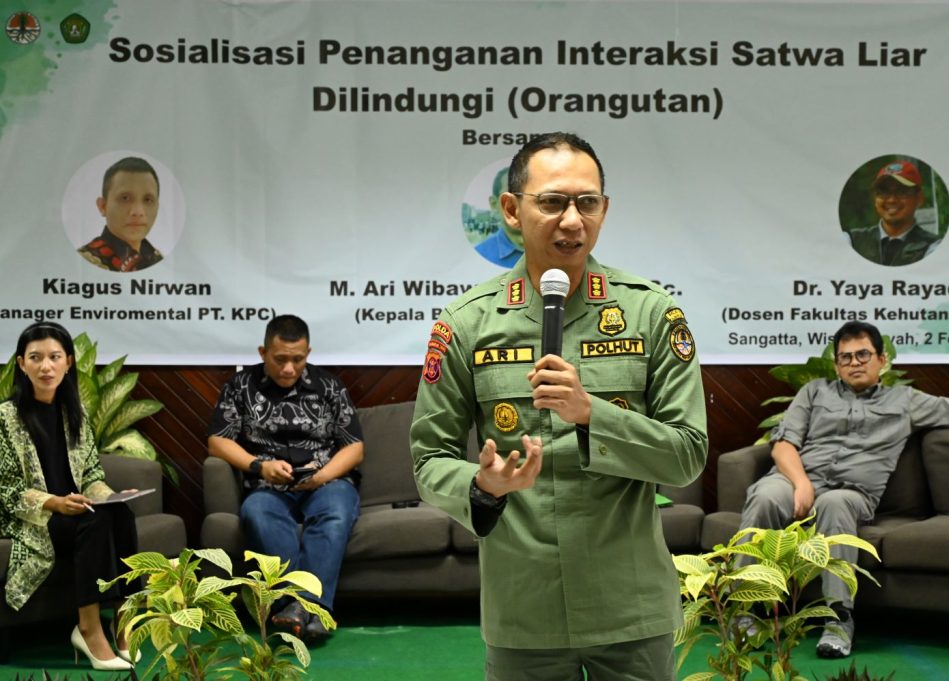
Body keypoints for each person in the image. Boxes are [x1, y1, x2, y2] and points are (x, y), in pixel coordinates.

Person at [410, 132, 708, 680]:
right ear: (511, 210)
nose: (572, 220)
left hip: (629, 604)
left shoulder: (650, 314)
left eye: (587, 202)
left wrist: (594, 413)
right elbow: (429, 460)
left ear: (604, 210)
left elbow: (687, 455)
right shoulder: (467, 324)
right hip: (525, 605)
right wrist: (481, 485)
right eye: (552, 202)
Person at [739, 320, 949, 658]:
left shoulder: (905, 400)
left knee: (835, 503)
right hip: (798, 479)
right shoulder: (814, 392)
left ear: (881, 360)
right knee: (765, 495)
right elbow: (783, 445)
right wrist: (801, 483)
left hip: (851, 491)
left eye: (863, 355)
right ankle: (746, 611)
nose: (854, 363)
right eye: (845, 357)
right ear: (836, 365)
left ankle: (838, 620)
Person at [207, 314, 363, 642]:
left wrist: (322, 476)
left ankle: (300, 608)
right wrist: (259, 467)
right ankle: (308, 610)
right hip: (269, 485)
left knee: (334, 513)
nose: (289, 368)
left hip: (327, 483)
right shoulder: (240, 387)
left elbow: (354, 447)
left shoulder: (329, 386)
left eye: (298, 359)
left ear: (308, 353)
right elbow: (218, 441)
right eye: (280, 360)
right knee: (257, 513)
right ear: (263, 352)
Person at [0, 322, 138, 671]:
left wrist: (111, 496)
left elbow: (91, 475)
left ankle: (124, 620)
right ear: (22, 364)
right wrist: (55, 502)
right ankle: (88, 628)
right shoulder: (5, 417)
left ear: (69, 362)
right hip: (32, 517)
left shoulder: (74, 413)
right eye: (36, 358)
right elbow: (6, 489)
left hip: (73, 511)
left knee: (119, 513)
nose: (45, 366)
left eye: (54, 357)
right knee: (94, 521)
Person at [847, 160, 942, 266]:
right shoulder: (851, 240)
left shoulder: (934, 247)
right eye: (883, 192)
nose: (891, 200)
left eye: (902, 192)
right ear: (875, 200)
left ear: (919, 198)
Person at [78, 156, 164, 272]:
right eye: (125, 198)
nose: (138, 212)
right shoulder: (82, 263)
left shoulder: (159, 261)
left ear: (157, 208)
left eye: (148, 200)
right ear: (103, 206)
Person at [473, 167, 525, 268]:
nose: (522, 201)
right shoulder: (482, 253)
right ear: (494, 204)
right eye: (513, 194)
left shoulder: (556, 251)